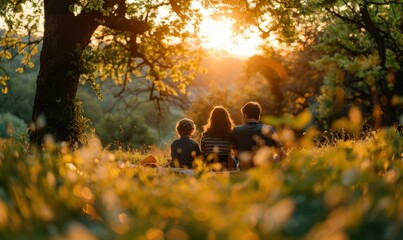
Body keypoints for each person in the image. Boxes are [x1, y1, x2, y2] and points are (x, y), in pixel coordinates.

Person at [233, 101, 286, 169]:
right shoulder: (269, 129)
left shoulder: (236, 130)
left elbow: (235, 154)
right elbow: (282, 154)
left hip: (245, 173)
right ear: (259, 116)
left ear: (245, 115)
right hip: (265, 172)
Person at [200, 106, 236, 170]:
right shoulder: (231, 134)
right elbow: (235, 152)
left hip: (210, 168)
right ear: (227, 119)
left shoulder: (205, 135)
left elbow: (203, 155)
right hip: (227, 168)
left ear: (211, 119)